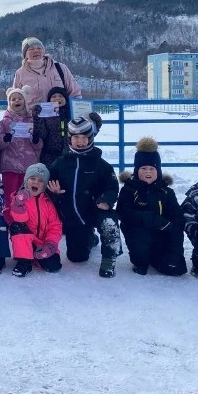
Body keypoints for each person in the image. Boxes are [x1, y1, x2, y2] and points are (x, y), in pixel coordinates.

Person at [47, 117, 121, 278]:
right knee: (77, 258)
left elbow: (112, 186)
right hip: (73, 216)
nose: (80, 141)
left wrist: (107, 200)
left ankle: (109, 257)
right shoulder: (60, 163)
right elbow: (49, 185)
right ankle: (90, 238)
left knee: (109, 221)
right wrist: (54, 192)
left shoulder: (102, 165)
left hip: (96, 210)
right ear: (70, 139)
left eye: (84, 137)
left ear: (90, 138)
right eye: (76, 137)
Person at [116, 137, 187, 276]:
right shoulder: (129, 189)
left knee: (177, 269)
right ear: (136, 170)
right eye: (143, 168)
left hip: (162, 234)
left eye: (151, 168)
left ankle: (158, 256)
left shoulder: (166, 191)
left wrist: (176, 252)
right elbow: (123, 213)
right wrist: (151, 219)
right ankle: (141, 260)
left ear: (158, 170)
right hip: (138, 233)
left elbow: (178, 219)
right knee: (141, 251)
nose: (148, 172)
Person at [5, 163, 63, 276]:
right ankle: (24, 261)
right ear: (26, 180)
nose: (36, 182)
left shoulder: (48, 202)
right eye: (32, 178)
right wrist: (19, 204)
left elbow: (55, 226)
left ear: (45, 185)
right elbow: (18, 219)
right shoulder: (18, 197)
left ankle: (36, 257)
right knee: (17, 225)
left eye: (40, 180)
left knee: (54, 266)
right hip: (26, 240)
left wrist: (51, 244)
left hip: (43, 242)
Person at [0, 85, 42, 218]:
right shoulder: (5, 121)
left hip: (29, 166)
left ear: (25, 101)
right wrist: (5, 139)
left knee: (27, 195)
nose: (16, 101)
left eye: (19, 98)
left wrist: (36, 140)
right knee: (10, 195)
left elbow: (39, 145)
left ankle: (27, 219)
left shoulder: (32, 120)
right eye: (13, 99)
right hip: (10, 165)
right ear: (9, 102)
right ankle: (10, 219)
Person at [12, 37, 81, 107]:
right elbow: (15, 98)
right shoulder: (20, 73)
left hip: (60, 116)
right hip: (33, 116)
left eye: (39, 48)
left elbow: (75, 93)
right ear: (25, 54)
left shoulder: (60, 68)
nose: (36, 51)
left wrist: (75, 111)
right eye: (31, 49)